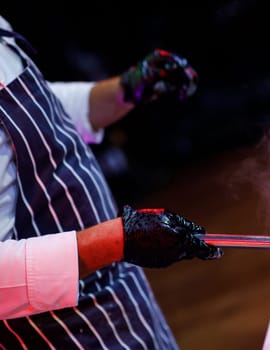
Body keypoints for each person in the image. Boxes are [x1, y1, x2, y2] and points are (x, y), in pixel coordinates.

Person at [0, 15, 222, 349]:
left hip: (119, 288)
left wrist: (126, 90)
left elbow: (37, 112)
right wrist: (117, 240)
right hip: (57, 331)